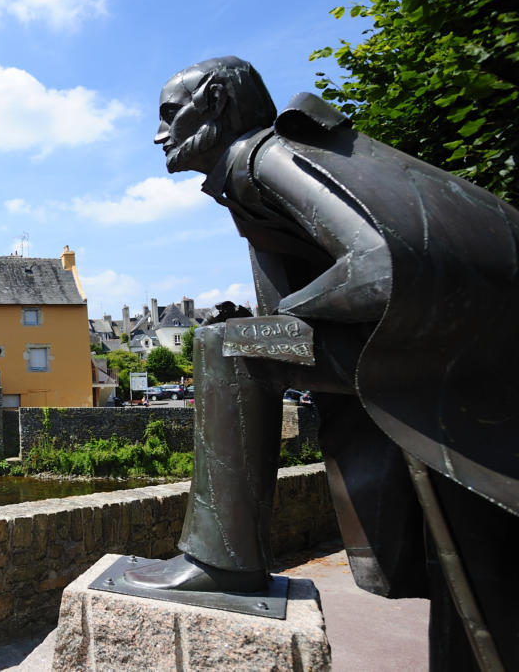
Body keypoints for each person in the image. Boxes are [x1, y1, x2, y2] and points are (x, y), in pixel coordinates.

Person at [123, 56, 519, 669]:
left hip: (448, 341)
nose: (159, 135)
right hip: (475, 345)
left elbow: (380, 266)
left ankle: (222, 564)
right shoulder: (248, 181)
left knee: (223, 349)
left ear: (218, 105)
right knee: (479, 576)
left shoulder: (265, 157)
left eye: (171, 115)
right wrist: (269, 316)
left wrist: (261, 325)